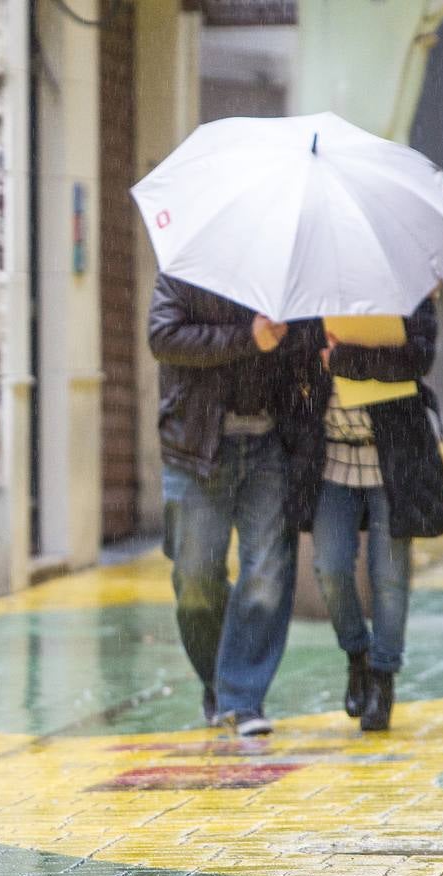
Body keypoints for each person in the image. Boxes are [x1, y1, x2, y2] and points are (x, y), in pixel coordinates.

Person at [279, 296, 443, 731]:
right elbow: (290, 362)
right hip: (331, 458)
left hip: (392, 459)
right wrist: (309, 356)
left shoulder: (407, 294)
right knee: (330, 566)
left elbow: (417, 358)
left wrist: (346, 358)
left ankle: (383, 676)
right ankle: (357, 655)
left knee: (389, 574)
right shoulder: (310, 297)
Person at [148, 273, 297, 737]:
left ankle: (242, 699)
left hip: (270, 444)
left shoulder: (283, 277)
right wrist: (247, 338)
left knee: (267, 575)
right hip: (195, 447)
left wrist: (288, 341)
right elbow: (164, 337)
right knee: (194, 580)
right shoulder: (185, 269)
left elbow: (305, 356)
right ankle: (220, 681)